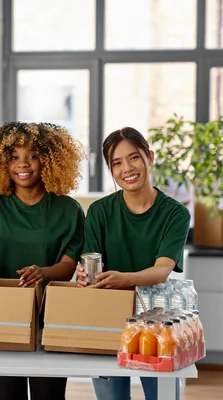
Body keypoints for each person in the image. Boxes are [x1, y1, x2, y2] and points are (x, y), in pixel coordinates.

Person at [0, 121, 86, 400]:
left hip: (50, 316)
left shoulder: (68, 209)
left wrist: (44, 273)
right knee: (6, 395)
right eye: (14, 157)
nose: (24, 164)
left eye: (33, 155)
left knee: (50, 395)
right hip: (1, 315)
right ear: (1, 162)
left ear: (49, 159)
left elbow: (69, 266)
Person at [76, 127, 190, 400]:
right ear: (110, 170)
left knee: (161, 395)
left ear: (149, 157)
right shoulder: (100, 211)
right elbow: (91, 265)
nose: (127, 168)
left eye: (134, 157)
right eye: (116, 163)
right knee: (111, 397)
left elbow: (162, 271)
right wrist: (83, 276)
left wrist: (123, 279)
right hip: (107, 317)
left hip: (158, 321)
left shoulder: (175, 214)